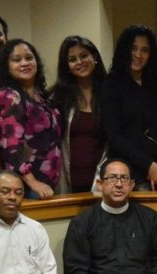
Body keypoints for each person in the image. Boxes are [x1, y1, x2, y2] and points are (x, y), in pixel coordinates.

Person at [100, 25, 157, 191]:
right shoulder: (111, 86)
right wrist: (149, 166)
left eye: (145, 50)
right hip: (134, 173)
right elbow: (114, 136)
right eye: (133, 48)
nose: (138, 55)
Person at [0, 39, 62, 199]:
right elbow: (11, 149)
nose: (24, 63)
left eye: (29, 58)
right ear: (6, 66)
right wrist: (33, 183)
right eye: (17, 60)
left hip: (48, 184)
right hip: (26, 188)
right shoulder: (9, 97)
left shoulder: (41, 96)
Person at [49, 35, 108, 193]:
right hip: (67, 181)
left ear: (94, 57)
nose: (80, 62)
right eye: (73, 59)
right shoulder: (58, 97)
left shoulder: (110, 93)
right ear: (67, 66)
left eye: (84, 56)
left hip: (102, 182)